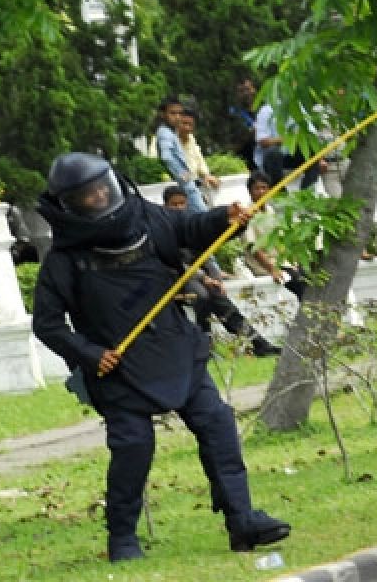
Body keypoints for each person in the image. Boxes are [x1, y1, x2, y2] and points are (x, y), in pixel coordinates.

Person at [31, 153, 289, 562]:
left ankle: (242, 521)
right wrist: (90, 354)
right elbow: (47, 325)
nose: (100, 197)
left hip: (175, 348)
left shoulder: (148, 218)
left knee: (218, 424)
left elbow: (189, 227)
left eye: (103, 187)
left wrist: (225, 218)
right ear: (69, 205)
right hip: (118, 370)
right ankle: (123, 541)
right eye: (88, 195)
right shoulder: (64, 261)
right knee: (134, 447)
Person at [161, 186, 280, 357]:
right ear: (165, 206)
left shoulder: (191, 223)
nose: (179, 208)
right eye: (174, 205)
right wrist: (204, 278)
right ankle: (205, 346)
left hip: (200, 276)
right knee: (201, 295)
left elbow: (207, 256)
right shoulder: (164, 227)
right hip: (178, 276)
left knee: (219, 296)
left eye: (182, 204)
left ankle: (256, 342)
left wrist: (216, 278)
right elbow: (175, 261)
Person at [243, 171, 307, 302]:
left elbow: (281, 240)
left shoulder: (270, 211)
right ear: (250, 192)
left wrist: (294, 260)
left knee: (309, 273)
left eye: (264, 188)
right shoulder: (247, 214)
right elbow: (253, 248)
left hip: (281, 261)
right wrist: (272, 268)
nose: (261, 192)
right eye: (257, 188)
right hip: (265, 264)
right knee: (299, 283)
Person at [254, 98, 322, 190]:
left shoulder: (298, 108)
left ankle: (307, 191)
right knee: (273, 153)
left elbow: (311, 134)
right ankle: (280, 191)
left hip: (292, 154)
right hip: (273, 157)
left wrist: (321, 159)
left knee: (313, 150)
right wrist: (287, 139)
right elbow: (263, 141)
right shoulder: (266, 110)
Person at [155, 95, 208, 213]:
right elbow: (167, 157)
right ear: (163, 115)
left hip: (187, 183)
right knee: (202, 214)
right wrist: (182, 174)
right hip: (184, 183)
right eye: (173, 113)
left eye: (180, 113)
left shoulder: (170, 132)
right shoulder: (165, 133)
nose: (177, 117)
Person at [178, 108, 221, 207]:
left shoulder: (191, 139)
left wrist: (206, 175)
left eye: (190, 125)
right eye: (184, 123)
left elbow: (199, 161)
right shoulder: (168, 140)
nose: (187, 128)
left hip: (195, 186)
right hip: (178, 188)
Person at [229, 76, 258, 171]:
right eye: (241, 91)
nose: (246, 93)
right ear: (237, 94)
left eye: (248, 89)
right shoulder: (233, 113)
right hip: (245, 158)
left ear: (254, 89)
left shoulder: (263, 109)